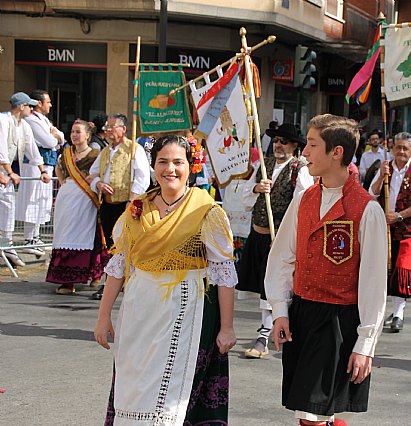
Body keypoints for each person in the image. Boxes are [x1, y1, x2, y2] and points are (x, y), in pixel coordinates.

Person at [94, 135, 237, 425]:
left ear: (191, 165)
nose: (170, 169)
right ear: (153, 165)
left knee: (177, 395)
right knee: (135, 383)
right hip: (140, 310)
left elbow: (224, 273)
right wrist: (103, 315)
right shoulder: (136, 209)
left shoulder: (206, 211)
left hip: (188, 309)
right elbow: (118, 265)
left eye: (178, 162)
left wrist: (227, 327)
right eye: (162, 162)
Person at [265, 114, 388, 426]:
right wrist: (280, 309)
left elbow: (374, 284)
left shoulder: (366, 209)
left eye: (312, 144)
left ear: (337, 153)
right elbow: (282, 258)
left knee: (314, 415)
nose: (304, 152)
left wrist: (365, 344)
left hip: (338, 321)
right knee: (310, 412)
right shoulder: (304, 200)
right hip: (303, 314)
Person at [237, 122, 313, 359]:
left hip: (281, 235)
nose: (278, 145)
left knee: (273, 282)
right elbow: (244, 197)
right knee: (261, 282)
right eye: (276, 141)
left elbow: (305, 201)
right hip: (259, 233)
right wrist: (258, 188)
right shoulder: (264, 165)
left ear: (294, 146)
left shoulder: (300, 169)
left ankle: (264, 334)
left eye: (284, 141)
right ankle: (271, 328)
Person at [369, 132, 411, 332]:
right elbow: (373, 193)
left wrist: (400, 215)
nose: (401, 152)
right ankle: (379, 312)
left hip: (407, 230)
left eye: (405, 148)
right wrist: (381, 175)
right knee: (383, 269)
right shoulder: (386, 169)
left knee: (402, 270)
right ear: (393, 148)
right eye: (398, 147)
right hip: (385, 228)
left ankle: (398, 314)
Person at [88, 113, 150, 300]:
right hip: (108, 203)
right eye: (107, 127)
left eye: (112, 127)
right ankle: (111, 281)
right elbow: (93, 173)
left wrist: (132, 200)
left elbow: (142, 177)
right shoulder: (105, 151)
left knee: (126, 243)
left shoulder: (134, 149)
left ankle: (128, 280)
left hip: (126, 203)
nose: (108, 130)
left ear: (123, 129)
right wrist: (98, 183)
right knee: (111, 244)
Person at [46, 120, 108, 294]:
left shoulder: (96, 154)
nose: (74, 135)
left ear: (87, 135)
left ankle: (91, 274)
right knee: (65, 233)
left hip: (85, 198)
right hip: (67, 197)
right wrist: (63, 180)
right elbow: (58, 169)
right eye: (72, 131)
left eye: (78, 132)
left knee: (87, 235)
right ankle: (67, 279)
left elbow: (101, 173)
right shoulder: (66, 153)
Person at [0, 92, 51, 268]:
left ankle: (7, 244)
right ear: (22, 107)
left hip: (7, 174)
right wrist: (8, 171)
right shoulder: (3, 121)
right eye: (29, 106)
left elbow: (32, 150)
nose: (31, 108)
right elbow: (1, 148)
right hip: (4, 170)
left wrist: (42, 170)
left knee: (8, 206)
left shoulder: (24, 126)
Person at [17, 90, 63, 256]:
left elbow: (60, 138)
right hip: (35, 165)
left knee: (42, 201)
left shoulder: (43, 119)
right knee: (33, 200)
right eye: (48, 102)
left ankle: (35, 236)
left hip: (47, 164)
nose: (50, 105)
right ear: (39, 103)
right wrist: (55, 138)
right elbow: (49, 140)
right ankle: (29, 238)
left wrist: (56, 137)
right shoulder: (31, 120)